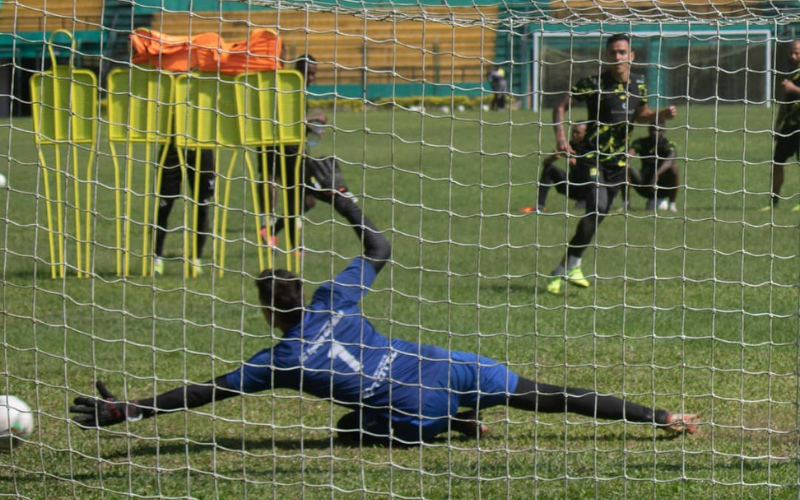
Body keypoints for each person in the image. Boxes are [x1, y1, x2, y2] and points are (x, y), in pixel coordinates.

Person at [70, 189, 699, 444]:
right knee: (546, 395)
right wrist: (340, 196)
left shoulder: (278, 363)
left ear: (268, 314)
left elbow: (206, 394)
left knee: (347, 430)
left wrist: (130, 409)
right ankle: (663, 416)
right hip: (447, 365)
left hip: (414, 408)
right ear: (306, 291)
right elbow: (379, 248)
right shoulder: (334, 299)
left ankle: (448, 425)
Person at [546, 33, 678, 295]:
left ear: (631, 56)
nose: (616, 57)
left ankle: (563, 268)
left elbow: (640, 115)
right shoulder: (594, 83)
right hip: (592, 156)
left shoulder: (638, 85)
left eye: (621, 52)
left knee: (596, 216)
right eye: (612, 53)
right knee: (599, 206)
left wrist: (659, 115)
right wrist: (562, 138)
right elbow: (560, 107)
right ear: (606, 56)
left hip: (618, 161)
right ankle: (572, 265)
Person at [258, 54, 354, 250]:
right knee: (301, 196)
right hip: (285, 148)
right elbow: (288, 118)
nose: (311, 78)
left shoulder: (297, 89)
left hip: (295, 148)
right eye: (308, 73)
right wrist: (315, 119)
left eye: (313, 74)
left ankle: (275, 231)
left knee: (305, 199)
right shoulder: (289, 88)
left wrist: (311, 127)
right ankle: (284, 237)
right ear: (298, 69)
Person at [153, 144, 215, 276]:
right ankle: (157, 258)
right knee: (163, 206)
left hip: (201, 146)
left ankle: (196, 259)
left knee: (202, 206)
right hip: (172, 147)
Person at [761, 40, 800, 212]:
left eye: (797, 52)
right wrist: (777, 125)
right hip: (788, 127)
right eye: (791, 52)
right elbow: (785, 103)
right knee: (777, 163)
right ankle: (774, 201)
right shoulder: (790, 74)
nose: (793, 56)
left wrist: (793, 89)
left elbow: (791, 92)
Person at [521, 123, 589, 213]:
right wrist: (552, 157)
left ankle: (586, 200)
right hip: (573, 186)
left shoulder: (591, 147)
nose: (574, 135)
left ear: (586, 134)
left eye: (577, 133)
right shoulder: (570, 146)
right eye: (573, 132)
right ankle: (540, 206)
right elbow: (545, 163)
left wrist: (577, 161)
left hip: (590, 189)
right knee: (549, 168)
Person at [625, 123, 680, 212]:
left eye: (658, 130)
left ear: (664, 131)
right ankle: (626, 204)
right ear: (648, 130)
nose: (655, 133)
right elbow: (630, 153)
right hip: (644, 184)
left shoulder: (669, 145)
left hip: (662, 185)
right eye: (652, 130)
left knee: (674, 169)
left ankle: (672, 205)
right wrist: (624, 160)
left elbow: (670, 160)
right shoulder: (641, 142)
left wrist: (657, 174)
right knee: (625, 168)